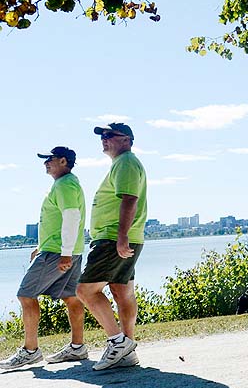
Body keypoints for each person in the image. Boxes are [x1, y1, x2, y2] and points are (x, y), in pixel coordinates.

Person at [0, 147, 87, 370]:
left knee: (26, 295)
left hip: (58, 252)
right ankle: (78, 347)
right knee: (71, 297)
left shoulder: (65, 184)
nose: (45, 163)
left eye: (49, 159)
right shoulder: (68, 183)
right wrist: (42, 246)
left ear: (63, 161)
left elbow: (71, 216)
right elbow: (60, 220)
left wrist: (64, 252)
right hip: (65, 249)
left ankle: (30, 351)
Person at [76, 123, 146, 369]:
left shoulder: (126, 162)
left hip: (112, 238)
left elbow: (129, 199)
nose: (104, 139)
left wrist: (121, 236)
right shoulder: (123, 163)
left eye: (109, 135)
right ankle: (127, 349)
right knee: (121, 290)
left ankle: (118, 342)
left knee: (85, 291)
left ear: (126, 139)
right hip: (121, 236)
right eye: (102, 136)